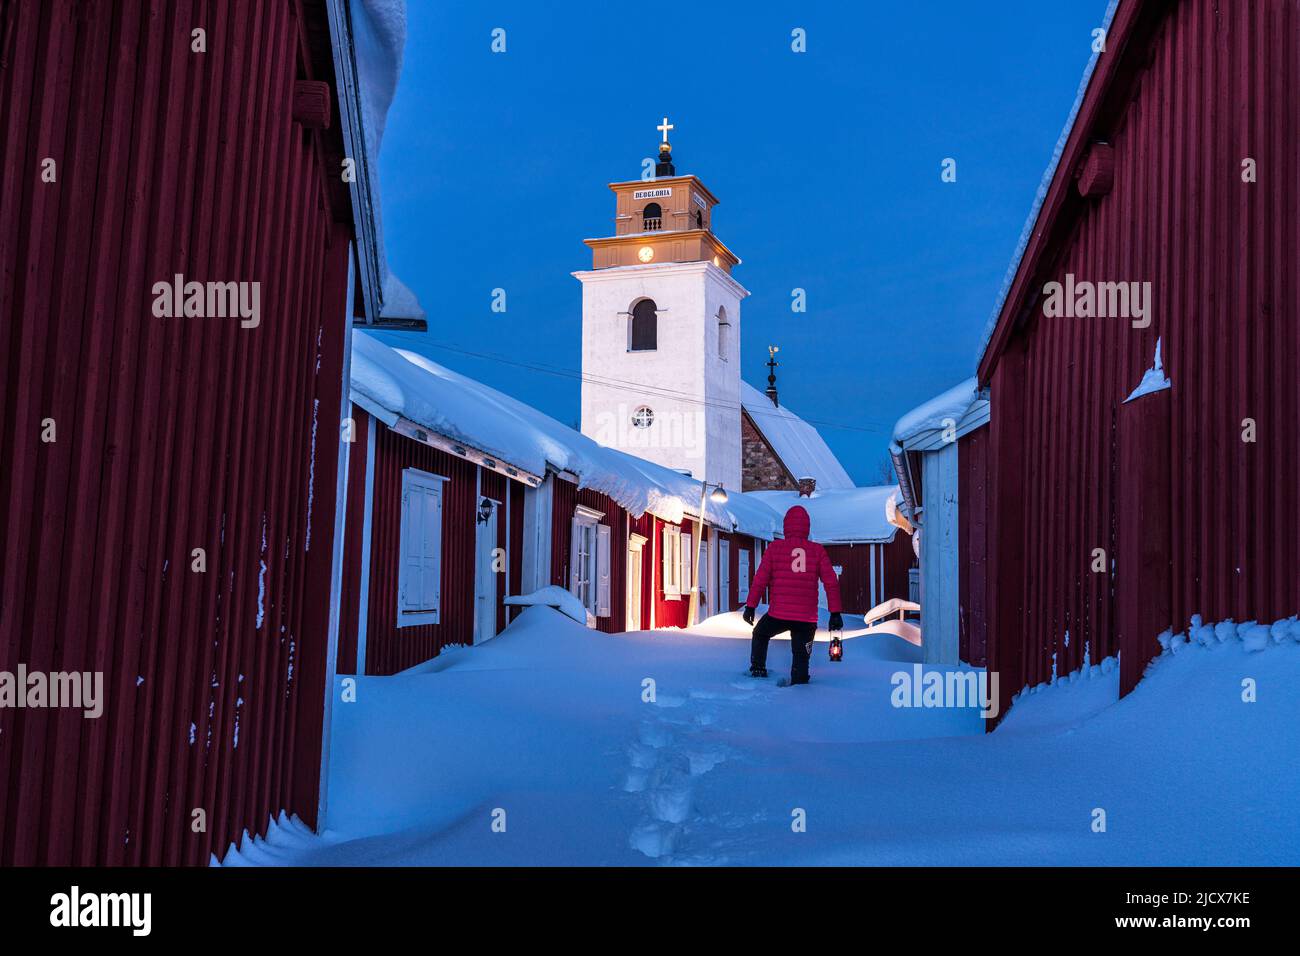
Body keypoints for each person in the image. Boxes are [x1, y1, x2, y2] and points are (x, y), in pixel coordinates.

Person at [742, 504, 843, 684]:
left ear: (786, 525)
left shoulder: (775, 548)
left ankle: (758, 669)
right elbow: (831, 583)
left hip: (778, 614)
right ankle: (800, 681)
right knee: (801, 654)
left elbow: (760, 579)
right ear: (807, 527)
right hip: (806, 617)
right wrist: (835, 612)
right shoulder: (817, 551)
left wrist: (751, 606)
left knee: (760, 633)